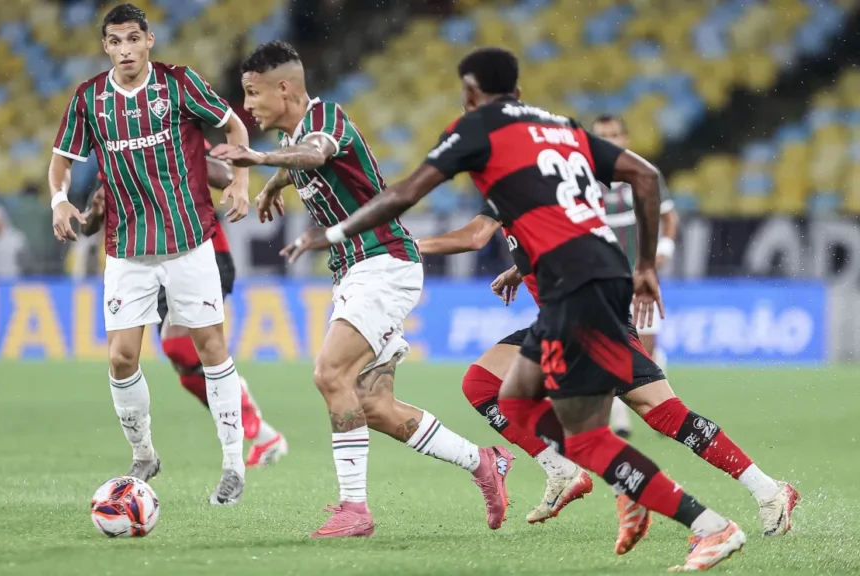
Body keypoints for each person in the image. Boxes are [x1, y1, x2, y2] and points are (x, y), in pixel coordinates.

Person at [283, 47, 748, 571]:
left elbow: (407, 192)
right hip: (592, 275)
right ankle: (625, 483)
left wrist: (338, 231)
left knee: (592, 438)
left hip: (577, 286)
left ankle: (708, 525)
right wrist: (643, 266)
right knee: (512, 398)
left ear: (470, 92)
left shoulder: (477, 128)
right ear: (519, 91)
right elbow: (644, 176)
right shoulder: (558, 126)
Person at [211, 40, 512, 538]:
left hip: (383, 263)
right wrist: (272, 185)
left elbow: (315, 153)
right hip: (359, 270)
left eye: (252, 93)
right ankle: (484, 461)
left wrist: (259, 159)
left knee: (331, 374)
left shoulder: (325, 116)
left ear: (284, 87)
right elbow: (304, 161)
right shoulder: (303, 133)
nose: (247, 106)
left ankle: (355, 510)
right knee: (373, 406)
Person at [420, 201, 798, 538]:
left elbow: (474, 238)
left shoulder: (518, 183)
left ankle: (765, 491)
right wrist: (522, 269)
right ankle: (562, 468)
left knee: (662, 413)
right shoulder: (531, 184)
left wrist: (410, 246)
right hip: (564, 319)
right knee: (483, 382)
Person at [47, 4, 254, 506]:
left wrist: (243, 181)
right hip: (127, 247)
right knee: (120, 357)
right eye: (115, 42)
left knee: (211, 349)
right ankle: (144, 453)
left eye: (133, 40)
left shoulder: (180, 84)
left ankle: (233, 463)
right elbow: (60, 162)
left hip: (189, 241)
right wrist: (59, 201)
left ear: (149, 41)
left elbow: (234, 128)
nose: (125, 50)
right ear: (105, 46)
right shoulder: (89, 99)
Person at [80, 149, 289, 469]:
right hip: (148, 259)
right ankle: (263, 434)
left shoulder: (171, 133)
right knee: (183, 364)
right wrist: (95, 212)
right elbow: (88, 225)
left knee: (182, 347)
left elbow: (217, 171)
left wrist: (249, 187)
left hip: (200, 254)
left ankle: (258, 431)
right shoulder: (116, 145)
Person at [591, 114, 680, 439]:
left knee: (646, 349)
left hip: (639, 279)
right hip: (601, 280)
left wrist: (665, 248)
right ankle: (621, 420)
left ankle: (663, 404)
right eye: (601, 136)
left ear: (625, 138)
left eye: (613, 135)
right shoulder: (582, 178)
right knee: (609, 349)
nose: (608, 141)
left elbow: (669, 216)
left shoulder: (643, 172)